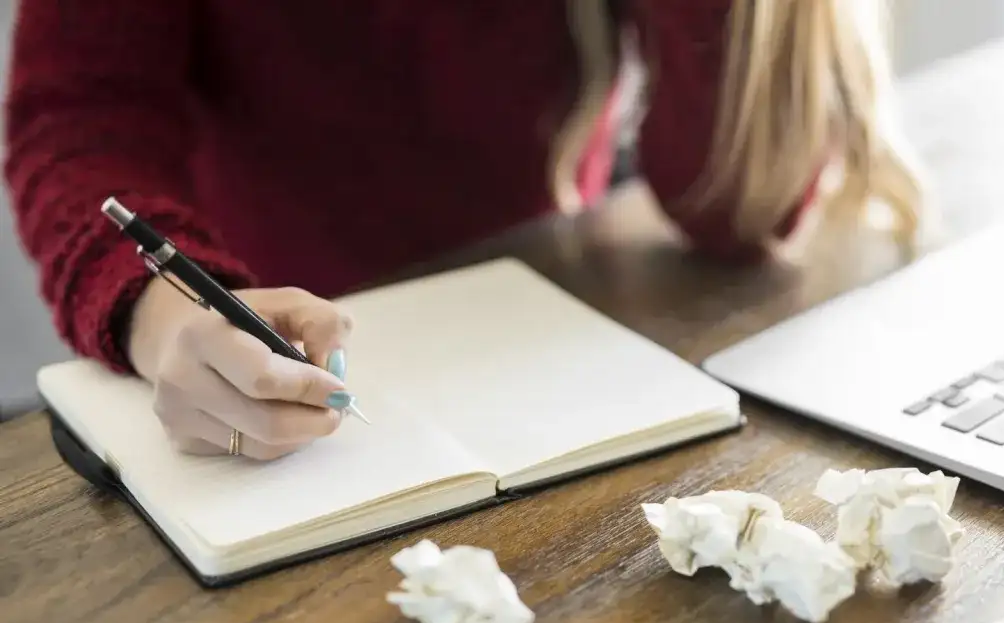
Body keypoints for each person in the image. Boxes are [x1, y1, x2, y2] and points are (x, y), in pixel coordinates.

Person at [4, 0, 922, 461]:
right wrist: (164, 312)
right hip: (268, 353)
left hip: (563, 359)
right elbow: (78, 117)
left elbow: (735, 208)